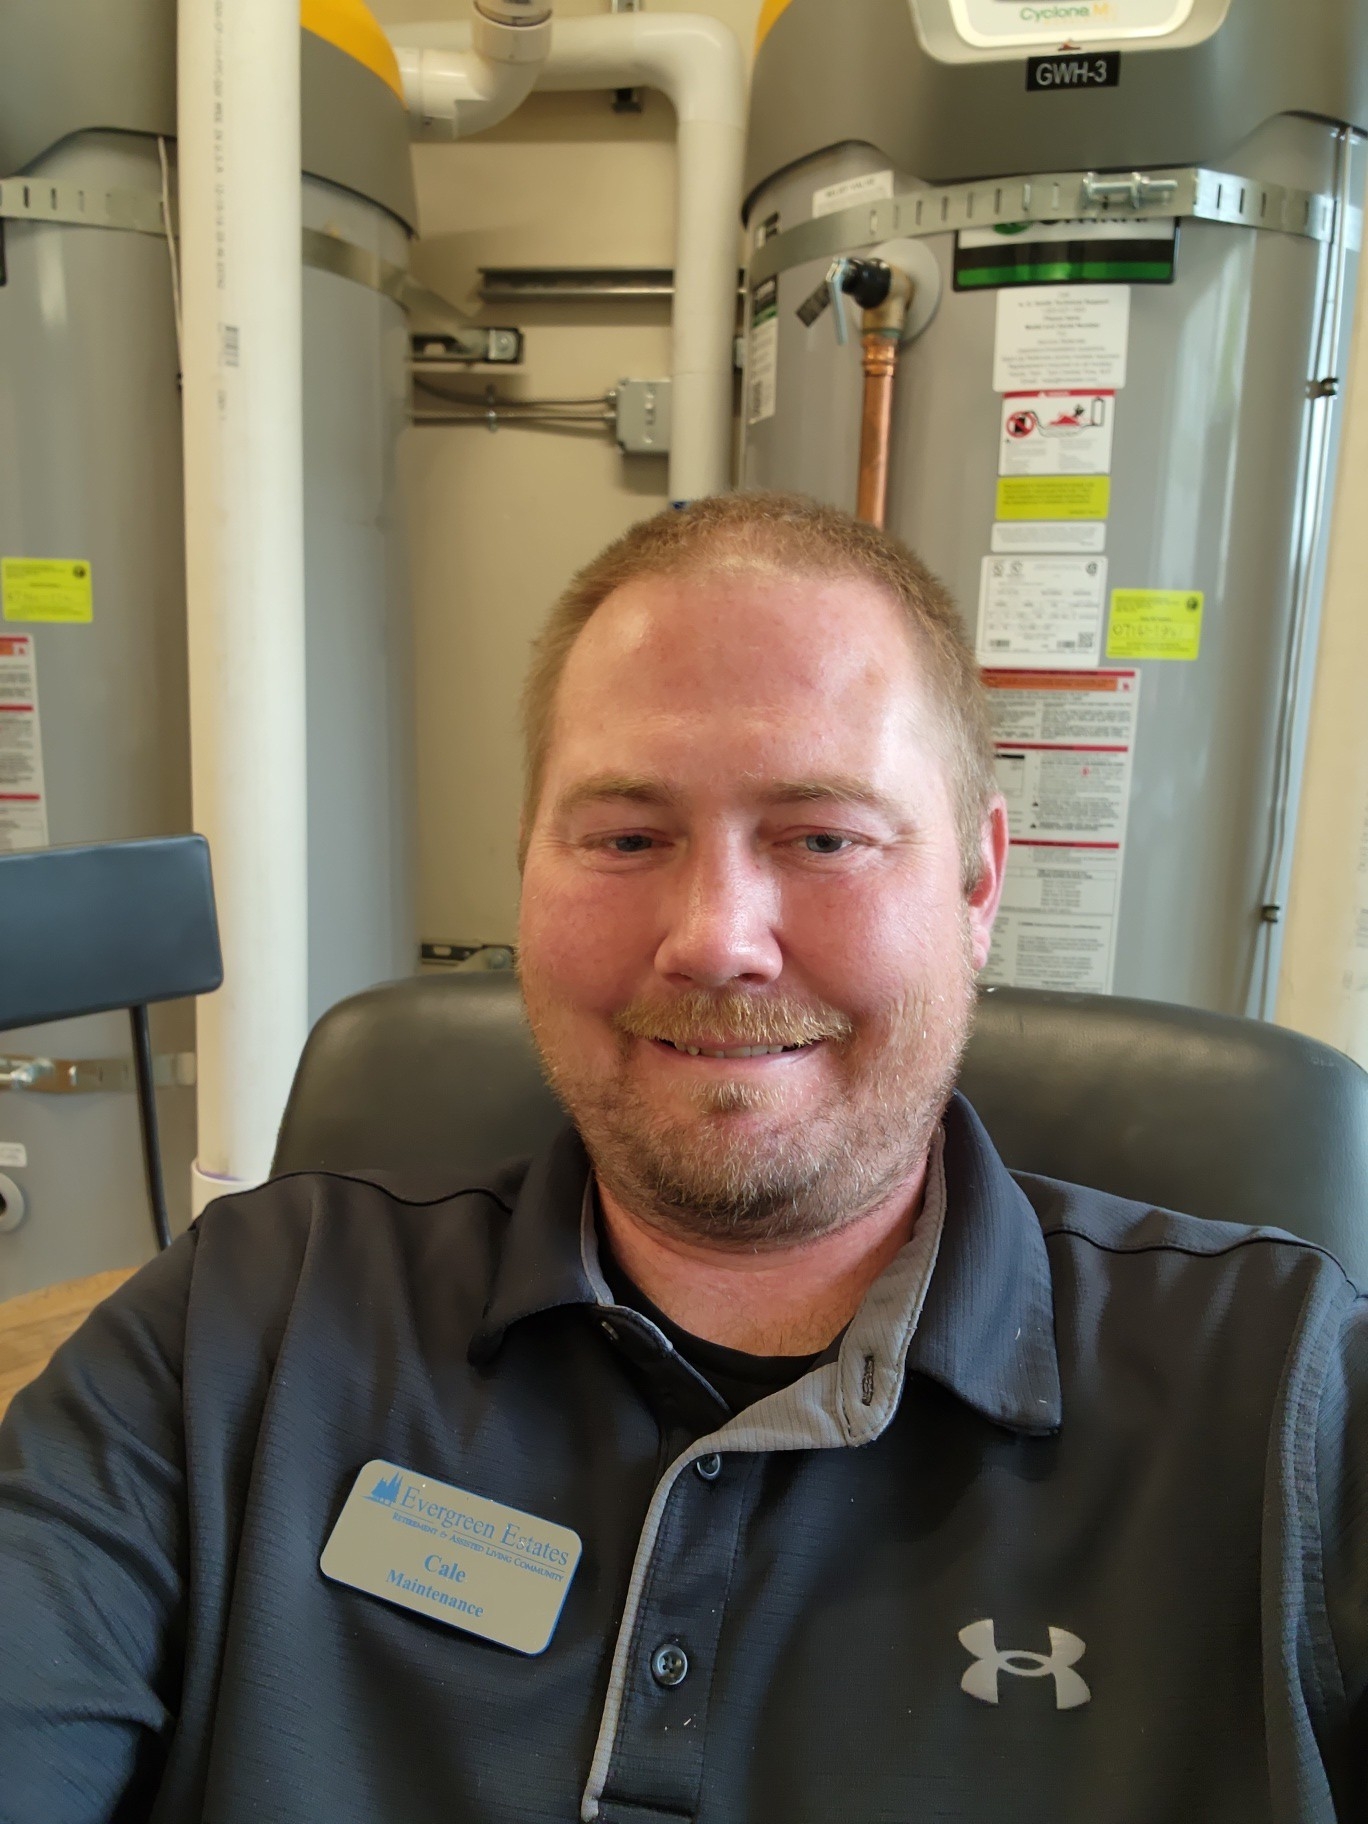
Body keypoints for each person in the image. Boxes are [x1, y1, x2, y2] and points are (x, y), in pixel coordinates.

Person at [1, 493, 1365, 1824]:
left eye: (823, 837)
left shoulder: (1287, 1402)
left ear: (977, 884)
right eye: (626, 838)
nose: (715, 938)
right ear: (527, 869)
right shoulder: (247, 1321)